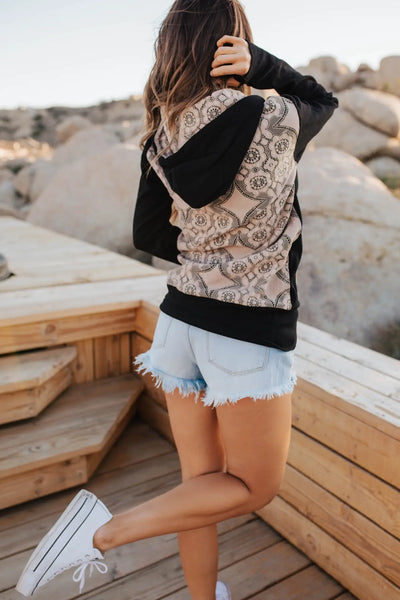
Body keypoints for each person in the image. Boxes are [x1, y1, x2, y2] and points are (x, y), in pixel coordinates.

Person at [15, 1, 339, 598]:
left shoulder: (163, 132)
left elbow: (148, 234)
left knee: (201, 482)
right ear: (231, 44)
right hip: (247, 330)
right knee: (254, 486)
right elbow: (322, 99)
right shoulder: (271, 116)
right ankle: (100, 534)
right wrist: (262, 65)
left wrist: (202, 253)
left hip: (181, 322)